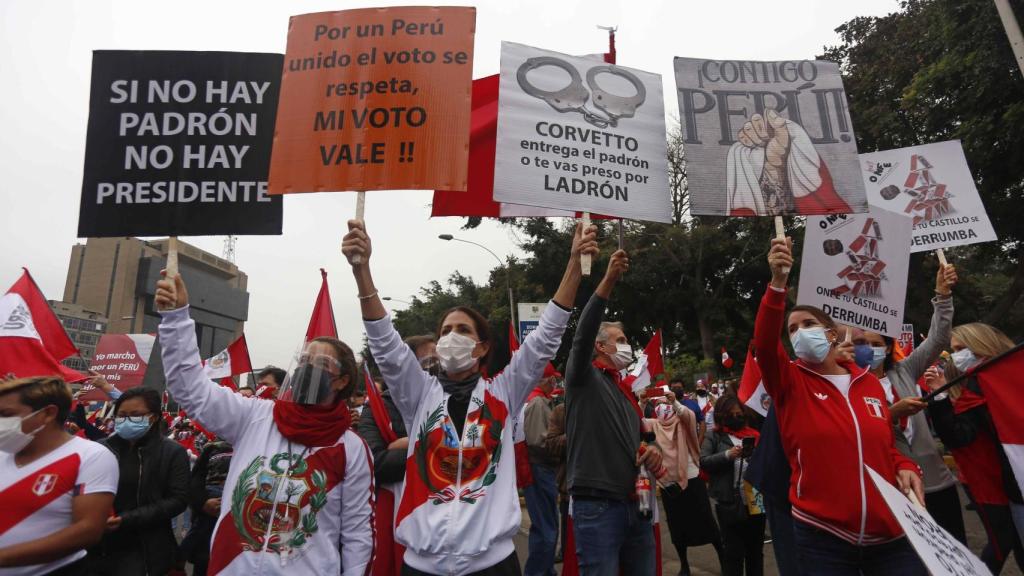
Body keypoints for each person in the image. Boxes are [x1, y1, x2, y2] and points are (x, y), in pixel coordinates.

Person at [345, 219, 597, 575]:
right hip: (421, 565)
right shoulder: (419, 395)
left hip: (492, 564)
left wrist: (573, 265)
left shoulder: (503, 393)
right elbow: (385, 343)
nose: (451, 336)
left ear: (480, 347)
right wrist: (362, 271)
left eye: (462, 330)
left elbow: (546, 337)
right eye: (445, 330)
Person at [154, 271, 374, 575]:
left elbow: (358, 532)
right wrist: (177, 318)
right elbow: (189, 388)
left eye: (321, 364)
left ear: (342, 381)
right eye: (305, 361)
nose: (309, 369)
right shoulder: (255, 416)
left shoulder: (351, 448)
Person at [756, 235, 926, 576]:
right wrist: (777, 283)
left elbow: (882, 445)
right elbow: (764, 340)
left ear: (832, 334)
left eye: (808, 324)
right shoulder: (789, 381)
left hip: (891, 533)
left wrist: (906, 464)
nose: (800, 332)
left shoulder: (869, 385)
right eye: (793, 330)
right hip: (823, 537)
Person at [563, 248, 664, 576]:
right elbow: (580, 338)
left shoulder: (625, 392)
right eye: (619, 340)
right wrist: (608, 280)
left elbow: (642, 442)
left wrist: (652, 453)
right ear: (600, 346)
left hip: (636, 503)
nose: (626, 345)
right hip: (598, 507)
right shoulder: (583, 379)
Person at [850, 262, 964, 542]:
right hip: (891, 486)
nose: (869, 349)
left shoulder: (905, 371)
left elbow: (938, 338)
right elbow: (854, 430)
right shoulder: (848, 386)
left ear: (889, 347)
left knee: (953, 549)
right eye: (862, 343)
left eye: (876, 344)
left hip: (935, 482)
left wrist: (943, 294)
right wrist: (892, 413)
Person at [927, 322, 1023, 574]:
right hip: (1009, 484)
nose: (958, 355)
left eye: (962, 348)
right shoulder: (975, 384)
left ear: (983, 345)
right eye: (955, 349)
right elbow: (960, 436)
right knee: (1006, 543)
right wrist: (939, 397)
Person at [0, 376, 119, 575]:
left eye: (6, 414)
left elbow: (88, 530)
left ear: (48, 413)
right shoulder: (3, 452)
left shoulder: (91, 456)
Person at [83, 386, 189, 576]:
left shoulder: (172, 452)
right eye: (122, 415)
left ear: (153, 417)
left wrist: (126, 519)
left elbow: (178, 500)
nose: (126, 420)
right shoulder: (100, 449)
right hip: (98, 544)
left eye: (135, 414)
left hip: (145, 547)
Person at [357, 333, 437, 576]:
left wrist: (406, 444)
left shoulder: (456, 401)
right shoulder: (378, 408)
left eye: (439, 360)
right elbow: (375, 464)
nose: (436, 368)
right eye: (427, 363)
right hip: (398, 515)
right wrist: (426, 447)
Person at [650, 390, 724, 576]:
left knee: (707, 522)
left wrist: (675, 402)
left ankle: (724, 560)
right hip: (669, 484)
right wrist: (643, 403)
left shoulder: (683, 423)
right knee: (677, 527)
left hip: (691, 478)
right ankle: (684, 564)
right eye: (659, 406)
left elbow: (688, 415)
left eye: (666, 406)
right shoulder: (654, 426)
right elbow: (637, 422)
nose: (663, 409)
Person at [700, 395, 764, 576]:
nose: (736, 417)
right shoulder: (714, 436)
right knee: (733, 553)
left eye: (739, 413)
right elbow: (703, 461)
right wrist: (728, 455)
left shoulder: (754, 435)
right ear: (722, 415)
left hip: (756, 499)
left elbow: (766, 464)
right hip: (728, 500)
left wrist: (755, 456)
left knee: (755, 551)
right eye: (731, 414)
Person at [523, 369, 561, 576]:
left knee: (547, 525)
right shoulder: (537, 403)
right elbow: (539, 441)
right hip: (540, 468)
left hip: (541, 468)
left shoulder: (540, 400)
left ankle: (546, 571)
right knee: (546, 528)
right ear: (545, 379)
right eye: (553, 378)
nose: (555, 381)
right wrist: (562, 443)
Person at [181, 437, 234, 576]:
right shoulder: (211, 447)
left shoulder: (255, 446)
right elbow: (194, 481)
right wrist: (203, 503)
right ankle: (179, 558)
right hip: (212, 505)